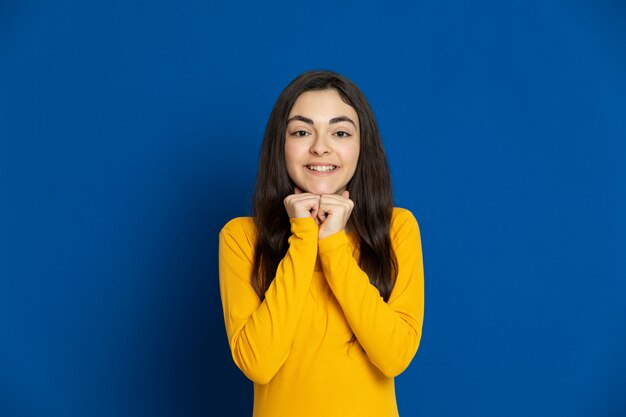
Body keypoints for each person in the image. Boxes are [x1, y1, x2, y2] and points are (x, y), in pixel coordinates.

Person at [218, 70, 424, 417]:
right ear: (280, 146)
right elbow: (257, 363)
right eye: (301, 131)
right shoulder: (241, 237)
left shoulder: (397, 228)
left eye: (340, 132)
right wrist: (303, 238)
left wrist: (332, 245)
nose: (320, 146)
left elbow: (395, 357)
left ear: (362, 147)